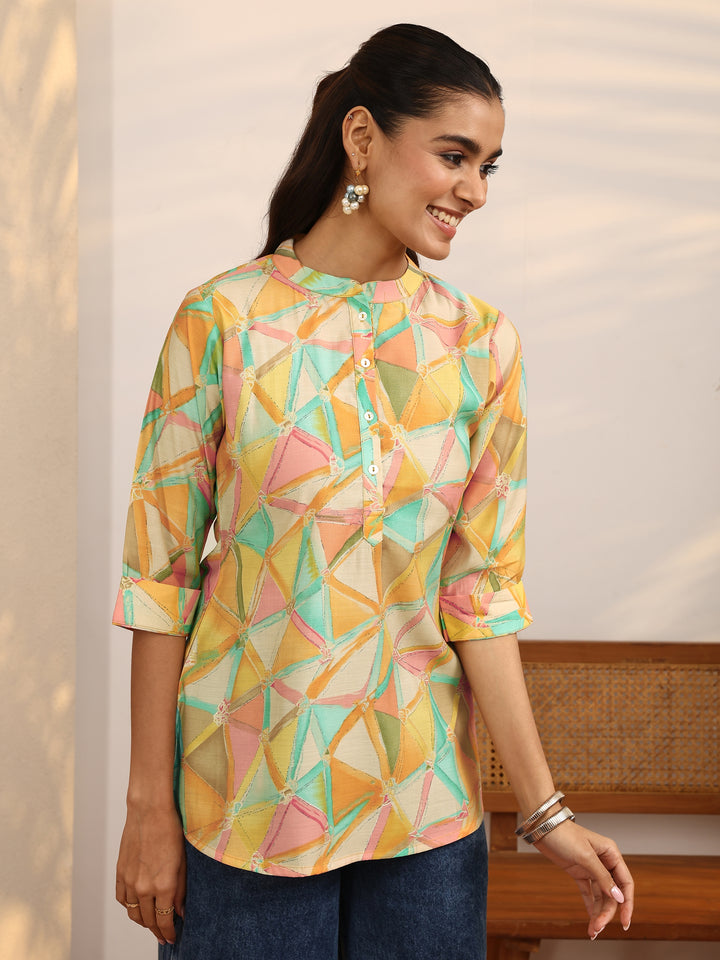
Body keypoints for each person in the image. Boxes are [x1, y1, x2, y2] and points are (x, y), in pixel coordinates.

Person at [113, 22, 634, 960]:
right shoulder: (222, 321)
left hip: (425, 814)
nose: (475, 191)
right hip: (246, 805)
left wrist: (545, 811)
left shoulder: (481, 345)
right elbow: (161, 582)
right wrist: (148, 807)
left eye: (488, 167)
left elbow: (479, 595)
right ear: (362, 138)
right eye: (454, 156)